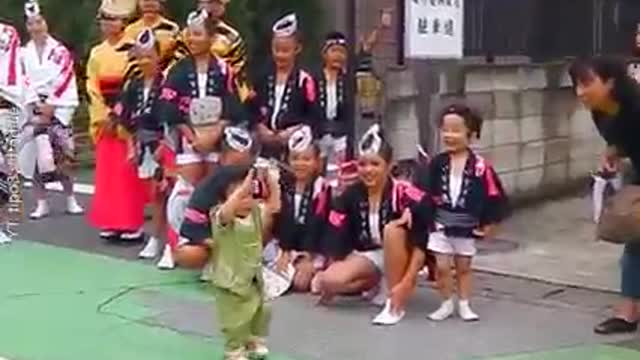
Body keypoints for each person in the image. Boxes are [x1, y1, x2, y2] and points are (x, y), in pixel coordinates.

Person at [316, 124, 432, 326]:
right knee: (327, 281)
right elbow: (335, 232)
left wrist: (407, 282)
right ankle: (376, 282)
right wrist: (329, 268)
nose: (367, 170)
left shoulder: (405, 193)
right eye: (362, 164)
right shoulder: (350, 194)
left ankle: (395, 303)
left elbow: (422, 239)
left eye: (375, 164)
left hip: (403, 251)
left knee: (392, 230)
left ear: (389, 166)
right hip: (370, 253)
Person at [568, 57, 640, 335]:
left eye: (587, 83)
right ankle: (627, 312)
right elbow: (622, 138)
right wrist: (613, 152)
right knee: (635, 241)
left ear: (610, 81)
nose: (580, 92)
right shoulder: (601, 109)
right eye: (576, 85)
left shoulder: (635, 105)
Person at [426, 104, 509, 322]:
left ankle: (464, 303)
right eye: (445, 130)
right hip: (440, 224)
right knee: (442, 267)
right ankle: (445, 303)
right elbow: (423, 192)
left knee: (464, 267)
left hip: (466, 225)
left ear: (471, 135)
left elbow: (494, 195)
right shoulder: (436, 164)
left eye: (456, 130)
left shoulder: (481, 167)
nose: (449, 135)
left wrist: (490, 222)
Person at [201, 165, 280, 360]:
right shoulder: (220, 217)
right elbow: (228, 210)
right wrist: (242, 189)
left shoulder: (254, 215)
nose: (246, 201)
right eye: (240, 196)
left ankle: (253, 340)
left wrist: (273, 182)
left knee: (262, 310)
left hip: (252, 276)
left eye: (250, 196)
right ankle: (234, 350)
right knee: (235, 318)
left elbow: (274, 207)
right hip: (231, 280)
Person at [87, 0, 148, 242]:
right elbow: (92, 87)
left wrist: (119, 115)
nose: (108, 24)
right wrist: (103, 115)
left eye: (113, 19)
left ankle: (132, 223)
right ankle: (111, 221)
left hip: (127, 117)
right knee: (108, 174)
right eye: (104, 19)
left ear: (123, 22)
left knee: (128, 174)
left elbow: (134, 85)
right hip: (105, 119)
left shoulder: (133, 49)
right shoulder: (96, 52)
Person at [19, 0, 84, 219]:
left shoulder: (59, 51)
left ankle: (70, 198)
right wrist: (35, 103)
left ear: (46, 23)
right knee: (37, 157)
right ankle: (41, 202)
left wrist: (52, 104)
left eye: (39, 22)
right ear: (27, 27)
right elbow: (23, 79)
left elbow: (64, 77)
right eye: (31, 24)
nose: (36, 27)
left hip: (58, 106)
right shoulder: (23, 53)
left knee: (63, 155)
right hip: (34, 107)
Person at [109, 28, 167, 261]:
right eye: (140, 56)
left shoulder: (167, 83)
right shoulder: (133, 85)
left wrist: (165, 147)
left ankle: (162, 240)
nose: (144, 61)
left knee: (162, 193)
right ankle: (155, 236)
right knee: (152, 195)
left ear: (158, 57)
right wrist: (131, 147)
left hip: (165, 143)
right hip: (142, 145)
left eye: (149, 56)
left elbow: (173, 120)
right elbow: (123, 120)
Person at [175, 125, 257, 272]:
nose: (241, 157)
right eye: (234, 153)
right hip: (219, 240)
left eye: (247, 154)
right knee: (188, 254)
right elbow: (190, 228)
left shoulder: (262, 176)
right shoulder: (208, 186)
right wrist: (219, 245)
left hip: (253, 239)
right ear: (223, 156)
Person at [268, 125, 331, 292]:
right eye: (295, 158)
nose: (300, 164)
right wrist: (285, 250)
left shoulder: (322, 189)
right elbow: (280, 221)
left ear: (317, 162)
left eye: (306, 159)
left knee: (301, 284)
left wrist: (307, 256)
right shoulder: (282, 185)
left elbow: (318, 226)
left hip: (313, 248)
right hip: (285, 244)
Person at [252, 13, 317, 160]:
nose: (280, 55)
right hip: (263, 141)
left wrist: (293, 131)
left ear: (297, 49)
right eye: (277, 49)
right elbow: (251, 107)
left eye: (285, 50)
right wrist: (260, 127)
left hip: (293, 142)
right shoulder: (262, 77)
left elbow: (313, 115)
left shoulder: (305, 80)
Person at [0, 21, 27, 244]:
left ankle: (1, 223)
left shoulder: (6, 33)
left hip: (4, 104)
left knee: (3, 167)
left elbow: (11, 75)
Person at [314, 31, 351, 183]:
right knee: (317, 174)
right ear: (324, 54)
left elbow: (365, 52)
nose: (338, 56)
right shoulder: (314, 78)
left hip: (339, 133)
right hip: (318, 132)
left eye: (342, 52)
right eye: (334, 51)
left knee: (337, 176)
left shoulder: (346, 79)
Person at [123, 0, 180, 78]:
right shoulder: (130, 30)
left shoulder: (171, 28)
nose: (149, 3)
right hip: (137, 79)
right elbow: (127, 59)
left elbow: (177, 58)